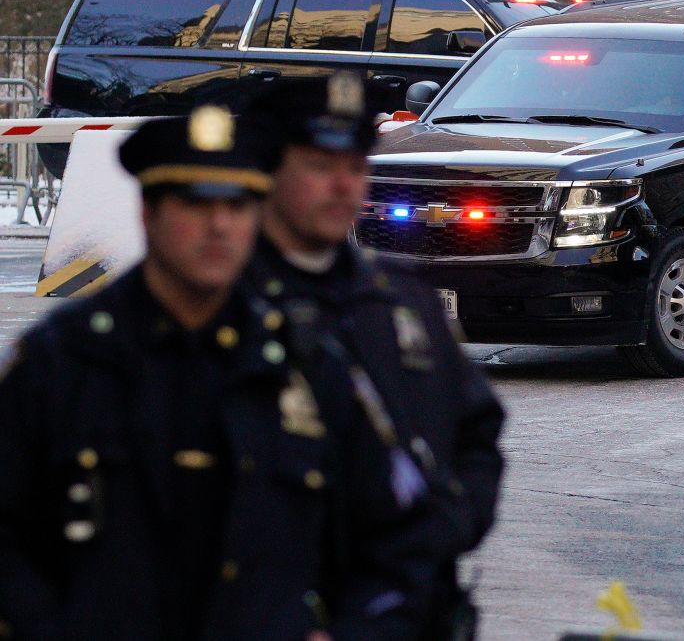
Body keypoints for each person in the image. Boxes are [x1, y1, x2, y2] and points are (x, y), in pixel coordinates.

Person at [0, 107, 433, 641]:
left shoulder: (307, 360)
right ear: (147, 214)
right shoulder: (63, 360)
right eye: (195, 203)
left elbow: (397, 532)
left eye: (238, 204)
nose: (219, 224)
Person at [245, 74, 505, 641]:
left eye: (355, 166)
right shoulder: (222, 310)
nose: (343, 186)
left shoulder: (399, 297)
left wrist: (450, 524)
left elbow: (477, 428)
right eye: (319, 166)